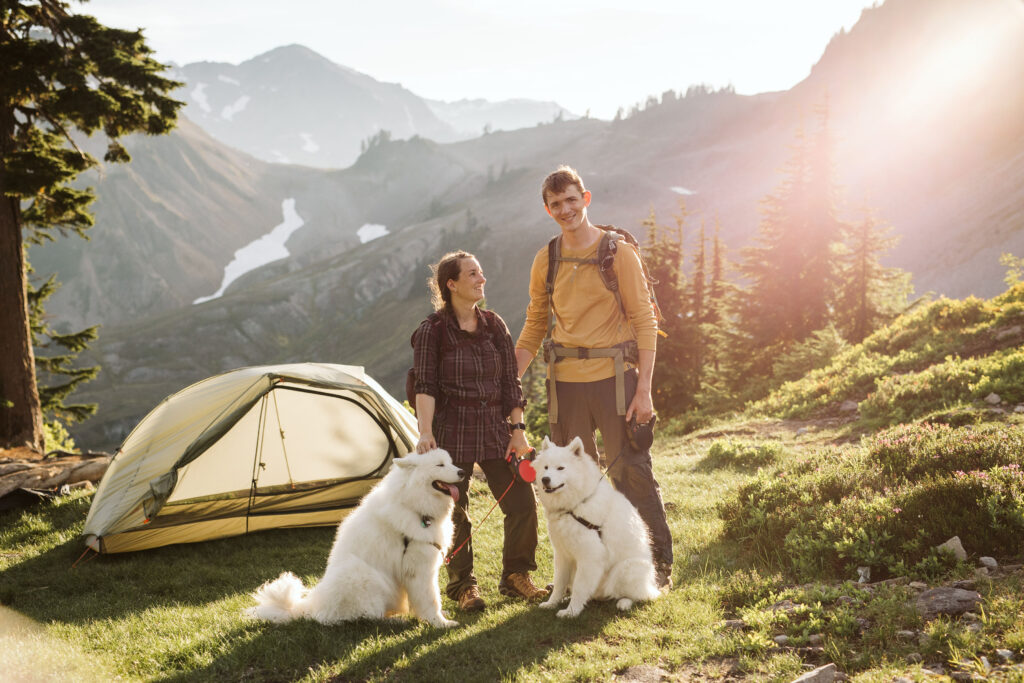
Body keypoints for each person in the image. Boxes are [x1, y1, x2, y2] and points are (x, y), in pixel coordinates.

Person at [514, 165, 674, 589]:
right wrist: (508, 383)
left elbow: (643, 320)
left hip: (616, 379)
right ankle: (585, 572)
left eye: (571, 200)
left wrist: (645, 390)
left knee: (632, 474)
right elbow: (534, 325)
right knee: (573, 482)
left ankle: (656, 567)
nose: (565, 210)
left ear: (586, 199)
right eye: (555, 205)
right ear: (548, 211)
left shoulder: (617, 253)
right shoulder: (545, 259)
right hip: (564, 382)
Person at [412, 250, 549, 612]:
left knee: (521, 502)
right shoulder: (433, 331)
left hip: (494, 429)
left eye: (481, 273)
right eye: (473, 274)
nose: (481, 279)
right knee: (453, 508)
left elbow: (510, 381)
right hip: (451, 430)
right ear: (451, 284)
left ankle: (516, 576)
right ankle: (463, 587)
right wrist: (425, 432)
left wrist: (518, 430)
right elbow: (424, 385)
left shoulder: (494, 324)